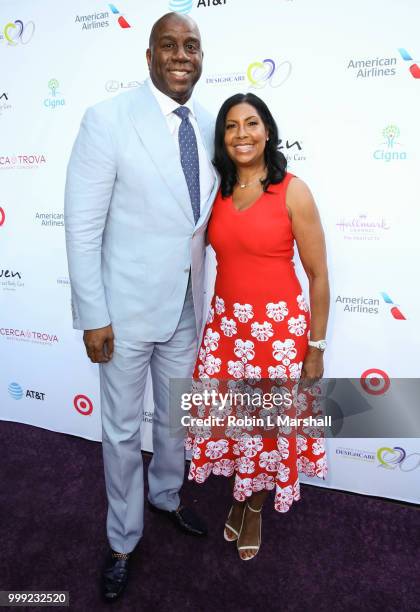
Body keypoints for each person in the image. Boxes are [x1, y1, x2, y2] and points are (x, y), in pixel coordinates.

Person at [64, 13, 218, 600]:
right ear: (149, 54)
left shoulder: (209, 124)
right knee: (124, 431)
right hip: (122, 315)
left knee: (175, 420)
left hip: (186, 308)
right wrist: (93, 315)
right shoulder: (106, 120)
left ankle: (166, 497)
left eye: (193, 46)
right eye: (170, 46)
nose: (183, 56)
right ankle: (123, 538)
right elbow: (82, 227)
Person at [185, 93, 330, 560]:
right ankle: (241, 494)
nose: (241, 134)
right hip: (226, 332)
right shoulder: (216, 191)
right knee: (233, 426)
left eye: (251, 124)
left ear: (268, 131)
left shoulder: (293, 190)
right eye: (231, 126)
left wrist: (316, 346)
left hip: (278, 338)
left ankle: (254, 507)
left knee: (268, 430)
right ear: (222, 137)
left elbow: (319, 274)